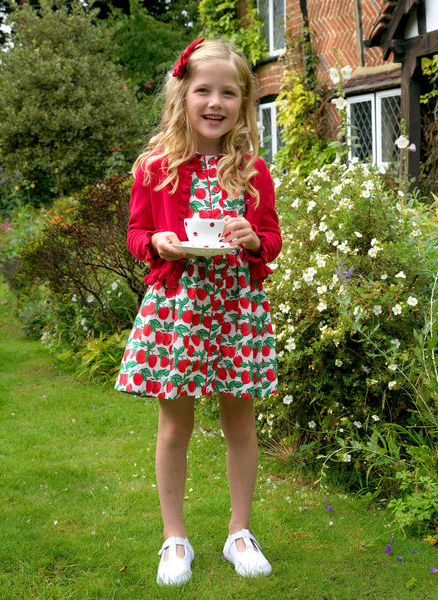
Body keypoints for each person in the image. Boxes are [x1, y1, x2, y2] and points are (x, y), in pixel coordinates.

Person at [115, 38, 281, 586]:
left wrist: (252, 239)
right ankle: (175, 538)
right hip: (179, 309)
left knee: (240, 421)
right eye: (203, 90)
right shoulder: (156, 166)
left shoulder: (252, 170)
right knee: (174, 426)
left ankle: (239, 533)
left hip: (236, 309)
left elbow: (273, 241)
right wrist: (156, 242)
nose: (215, 102)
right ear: (182, 94)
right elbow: (138, 233)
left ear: (243, 100)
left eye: (228, 92)